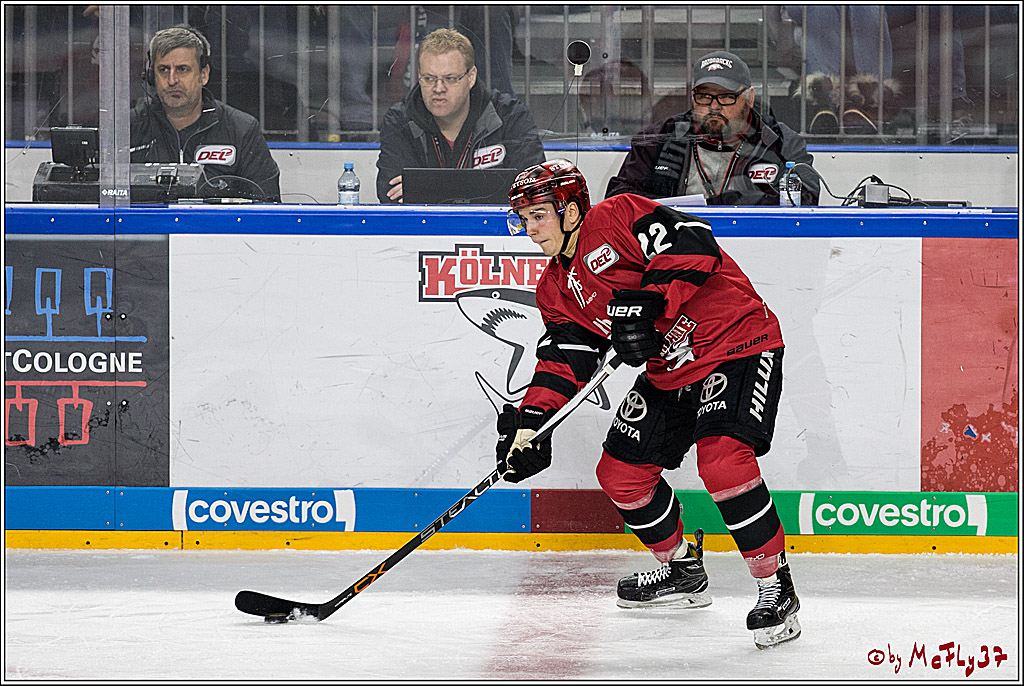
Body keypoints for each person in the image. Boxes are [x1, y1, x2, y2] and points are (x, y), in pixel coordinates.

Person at [498, 159, 801, 649]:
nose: (530, 231)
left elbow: (693, 240)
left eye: (539, 216)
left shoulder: (617, 215)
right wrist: (532, 425)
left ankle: (775, 587)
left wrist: (651, 301)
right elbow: (564, 358)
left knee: (722, 463)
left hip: (738, 340)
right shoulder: (554, 288)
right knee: (620, 473)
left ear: (572, 211)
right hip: (672, 370)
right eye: (524, 219)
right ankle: (683, 570)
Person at [606, 50, 819, 206]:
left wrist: (730, 202)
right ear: (692, 97)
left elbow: (808, 196)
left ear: (750, 98)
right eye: (704, 97)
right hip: (675, 247)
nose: (714, 106)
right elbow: (618, 198)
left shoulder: (780, 141)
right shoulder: (659, 138)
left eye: (726, 97)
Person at [376, 28, 545, 204]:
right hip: (425, 230)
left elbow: (534, 188)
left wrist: (427, 188)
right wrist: (488, 188)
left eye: (450, 78)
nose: (438, 88)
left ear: (471, 77)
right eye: (428, 78)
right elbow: (390, 195)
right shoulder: (400, 120)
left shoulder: (510, 116)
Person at [130, 25, 281, 202]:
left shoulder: (241, 129)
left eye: (182, 69)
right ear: (151, 76)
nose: (172, 80)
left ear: (204, 74)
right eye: (163, 70)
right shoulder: (129, 127)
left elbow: (268, 206)